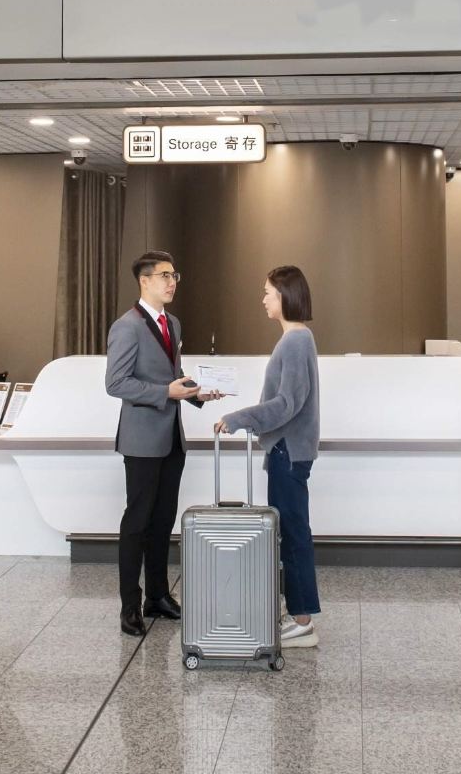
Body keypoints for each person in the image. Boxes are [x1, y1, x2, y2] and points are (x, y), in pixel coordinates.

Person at [105, 250, 217, 637]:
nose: (172, 282)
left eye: (175, 275)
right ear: (145, 281)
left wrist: (198, 393)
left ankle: (157, 596)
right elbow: (115, 383)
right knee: (136, 522)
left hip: (171, 439)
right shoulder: (127, 326)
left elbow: (174, 376)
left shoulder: (173, 323)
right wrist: (163, 392)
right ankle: (129, 606)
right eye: (165, 276)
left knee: (162, 521)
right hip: (140, 440)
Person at [216, 265, 322, 650]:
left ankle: (303, 622)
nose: (263, 299)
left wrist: (239, 419)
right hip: (288, 450)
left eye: (268, 293)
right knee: (291, 532)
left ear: (285, 296)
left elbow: (287, 404)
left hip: (288, 452)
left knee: (293, 535)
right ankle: (298, 614)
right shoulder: (298, 339)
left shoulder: (294, 341)